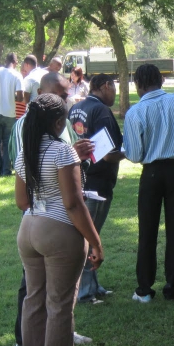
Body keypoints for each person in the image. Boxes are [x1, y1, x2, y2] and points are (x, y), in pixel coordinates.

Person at [14, 94, 104, 346]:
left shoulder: (25, 153)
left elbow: (21, 201)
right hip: (58, 231)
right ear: (57, 122)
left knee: (33, 300)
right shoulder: (62, 151)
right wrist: (95, 241)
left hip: (28, 229)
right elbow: (73, 204)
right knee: (60, 303)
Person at [124, 64, 174, 303]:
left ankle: (144, 289)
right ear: (161, 80)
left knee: (147, 230)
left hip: (152, 173)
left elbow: (135, 154)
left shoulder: (135, 112)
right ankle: (173, 287)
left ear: (138, 85)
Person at [69, 74, 125, 304]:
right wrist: (132, 152)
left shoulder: (76, 108)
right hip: (98, 182)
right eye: (114, 88)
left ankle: (93, 285)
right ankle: (84, 291)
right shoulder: (101, 111)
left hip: (80, 176)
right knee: (88, 236)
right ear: (106, 86)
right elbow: (108, 154)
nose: (115, 94)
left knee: (89, 234)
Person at [0, 53, 23, 177]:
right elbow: (20, 97)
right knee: (8, 142)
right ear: (16, 62)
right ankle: (6, 170)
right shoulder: (17, 75)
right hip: (9, 112)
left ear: (5, 60)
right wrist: (11, 95)